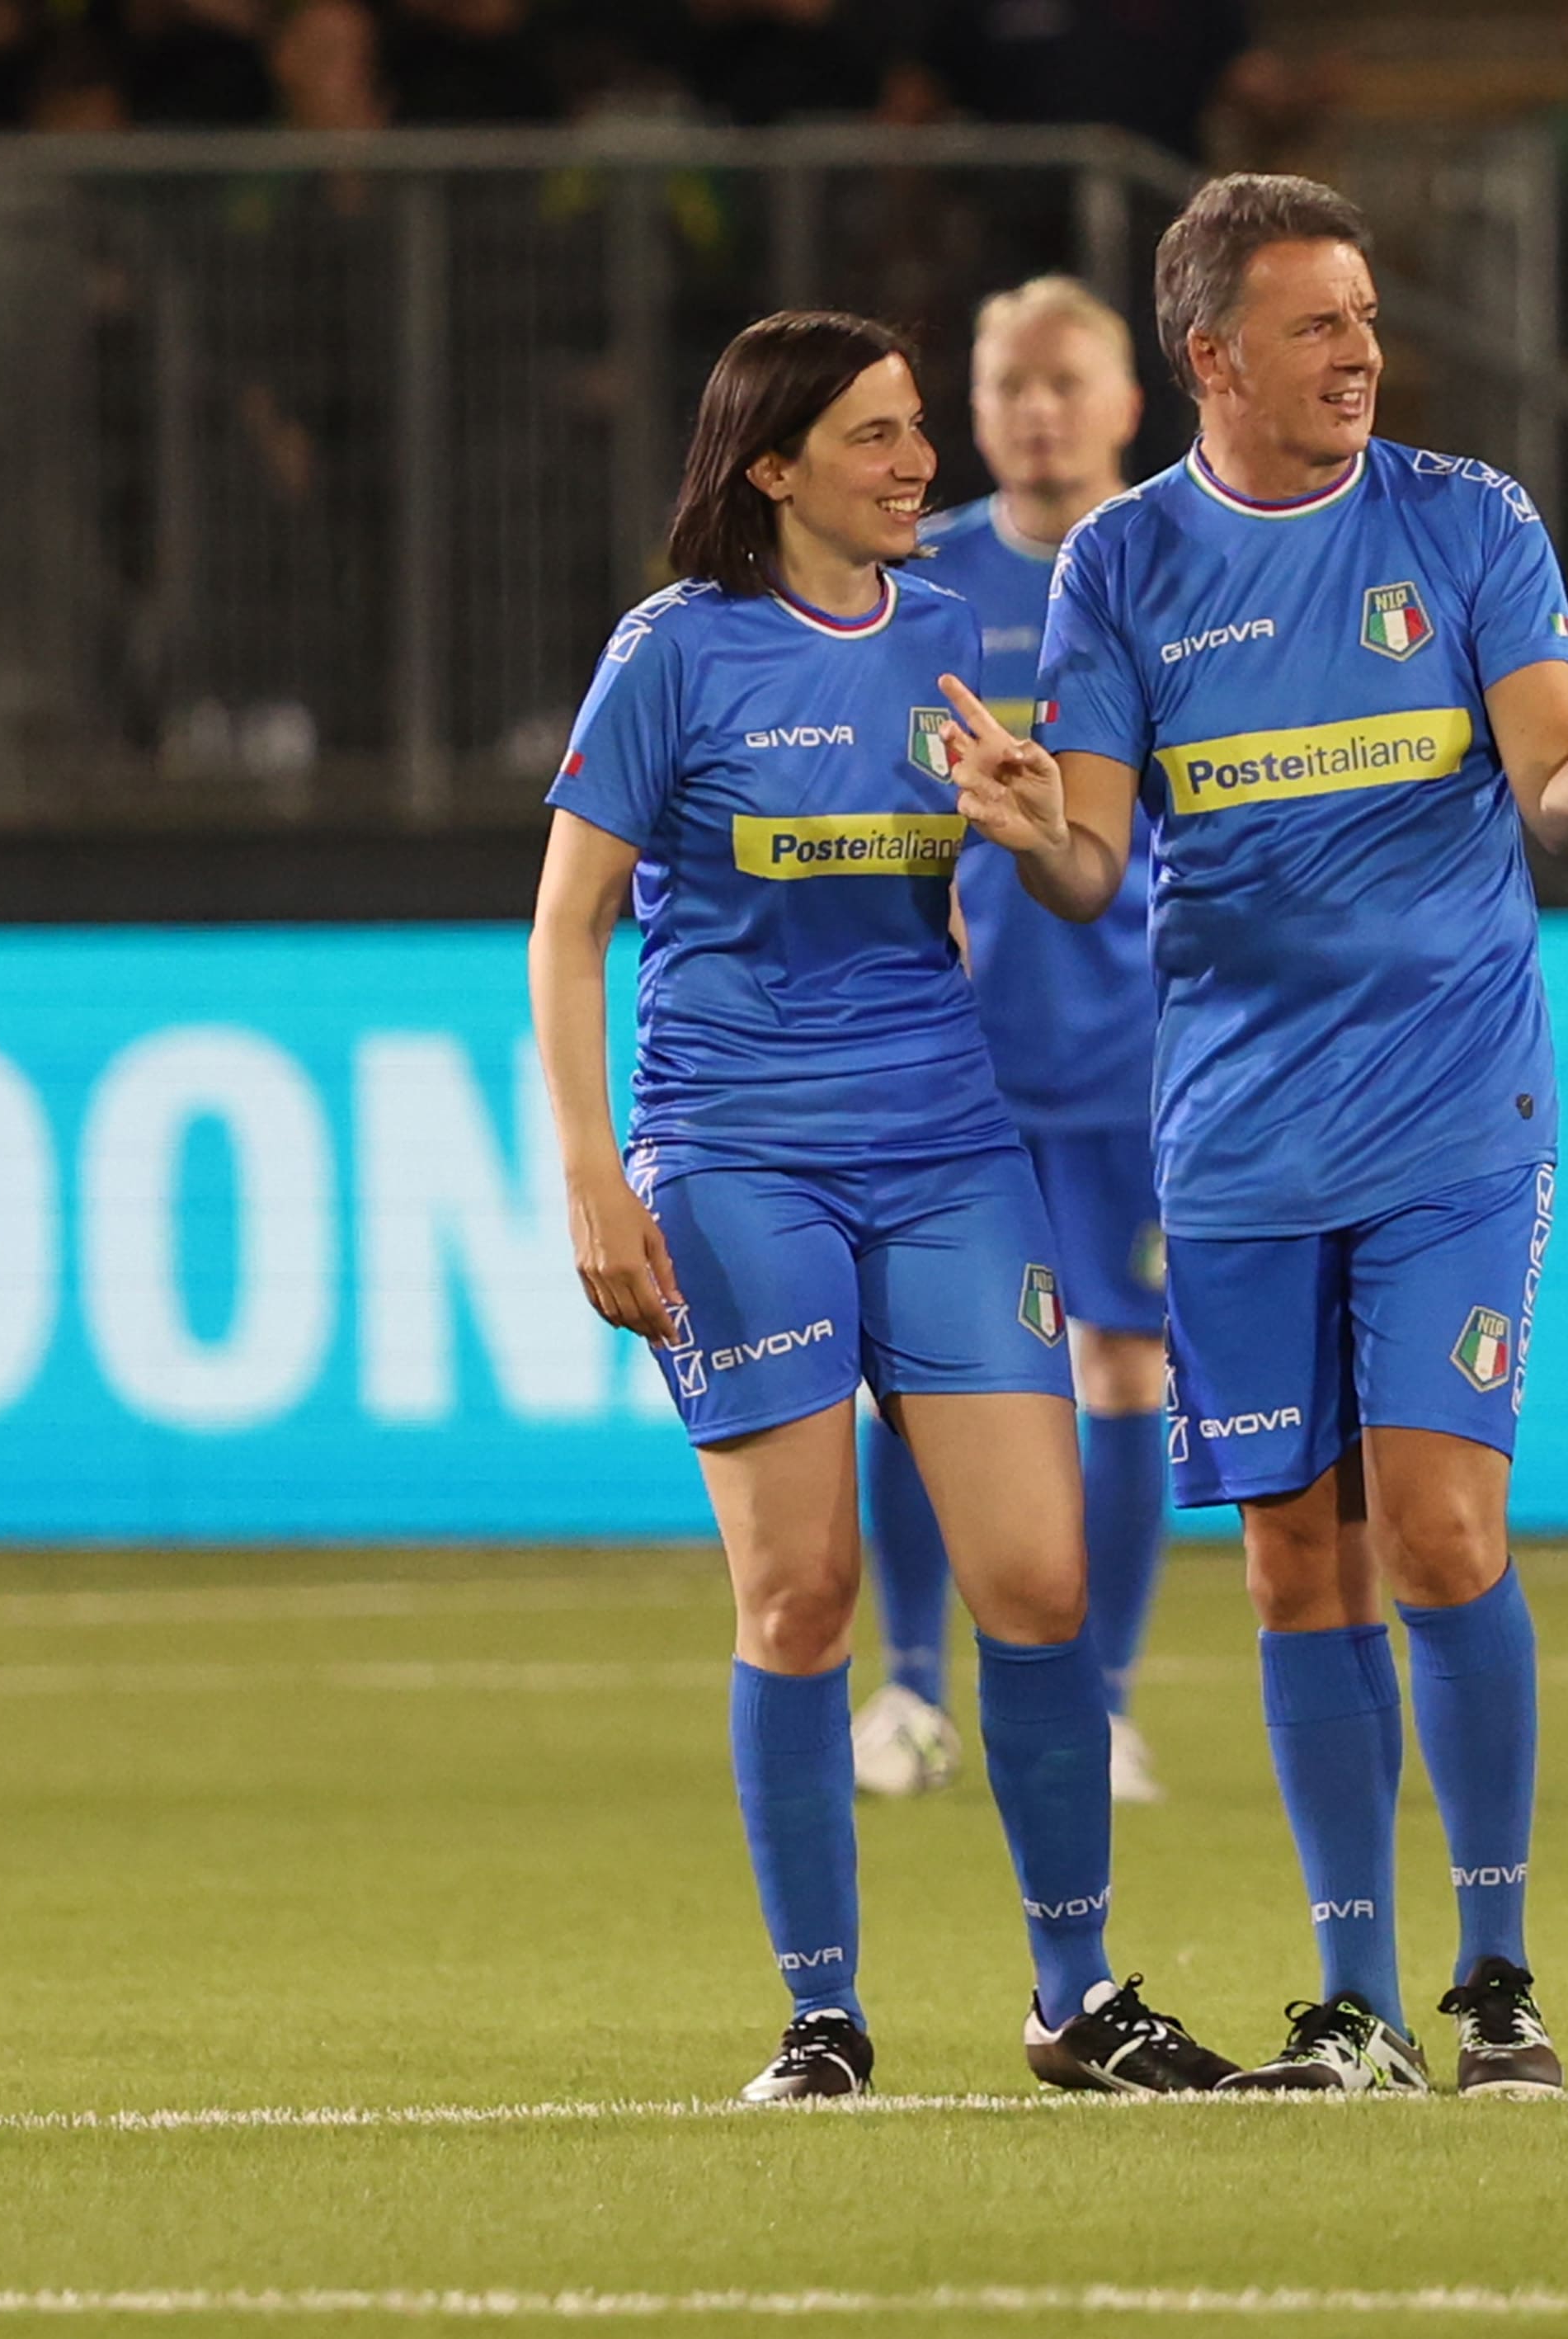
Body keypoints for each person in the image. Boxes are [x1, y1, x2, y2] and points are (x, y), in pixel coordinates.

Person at [950, 172, 1568, 2097]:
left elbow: (1554, 797)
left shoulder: (1465, 525)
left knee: (1442, 1528)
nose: (1360, 350)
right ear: (1210, 356)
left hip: (1454, 1108)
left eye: (1366, 317)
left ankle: (1497, 1974)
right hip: (1238, 1135)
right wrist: (1031, 833)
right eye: (1316, 322)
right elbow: (1095, 854)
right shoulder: (1119, 566)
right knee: (1296, 1556)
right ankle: (1350, 2000)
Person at [528, 309, 1233, 2105]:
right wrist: (597, 1174)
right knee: (803, 1588)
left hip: (944, 1141)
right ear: (771, 467)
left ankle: (1073, 2000)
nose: (921, 461)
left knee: (1039, 1577)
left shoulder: (937, 633)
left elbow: (1080, 881)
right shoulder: (670, 658)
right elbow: (566, 922)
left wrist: (1026, 829)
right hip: (738, 1153)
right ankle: (821, 2019)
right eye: (877, 436)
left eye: (921, 428)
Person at [851, 276, 1170, 1809]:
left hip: (1133, 1052)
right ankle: (910, 1688)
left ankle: (1097, 1702)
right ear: (977, 413)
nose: (1037, 412)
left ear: (1124, 403)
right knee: (919, 1375)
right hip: (949, 1055)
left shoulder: (1175, 570)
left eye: (1066, 383)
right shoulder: (921, 585)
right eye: (1009, 387)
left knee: (1121, 1369)